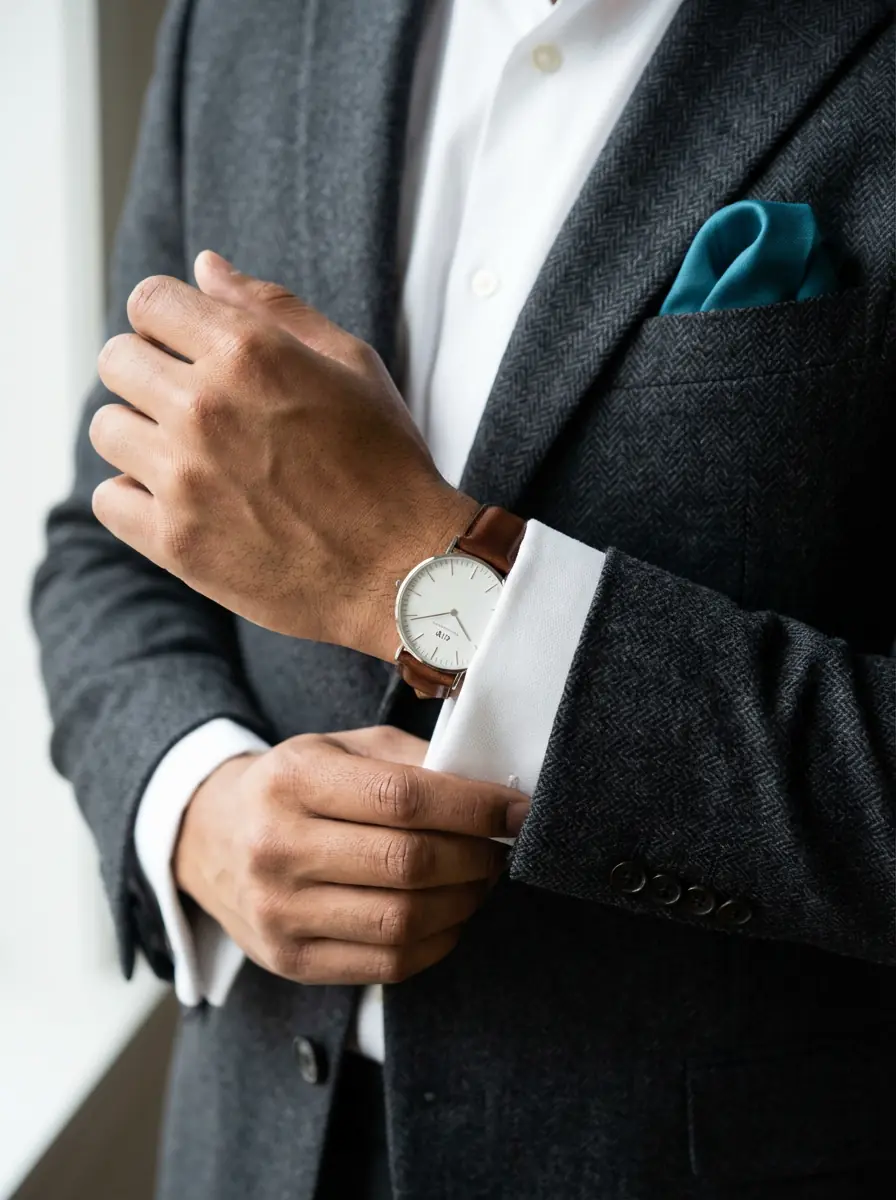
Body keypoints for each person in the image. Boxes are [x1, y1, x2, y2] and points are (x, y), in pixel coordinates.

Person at [32, 1, 895, 1198]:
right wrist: (194, 804)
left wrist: (424, 579)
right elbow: (109, 532)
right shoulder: (233, 20)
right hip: (251, 1148)